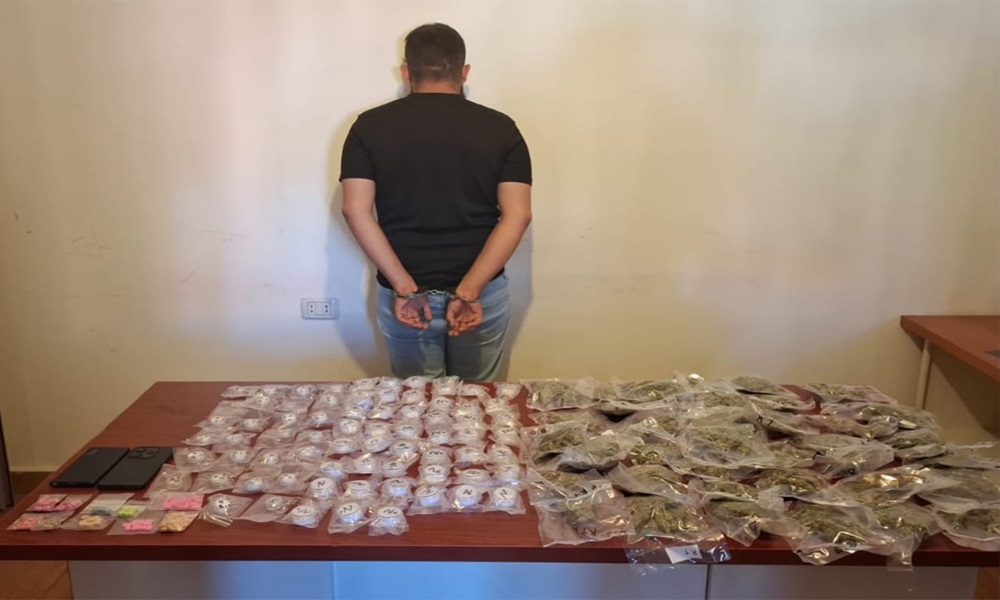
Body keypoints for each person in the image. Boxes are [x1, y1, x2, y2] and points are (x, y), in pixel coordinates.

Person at [340, 23, 532, 382]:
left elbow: (355, 210)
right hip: (480, 291)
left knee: (417, 404)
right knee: (477, 403)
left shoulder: (368, 127)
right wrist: (470, 291)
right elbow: (517, 216)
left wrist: (405, 288)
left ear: (406, 72)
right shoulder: (501, 128)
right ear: (464, 72)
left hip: (405, 292)